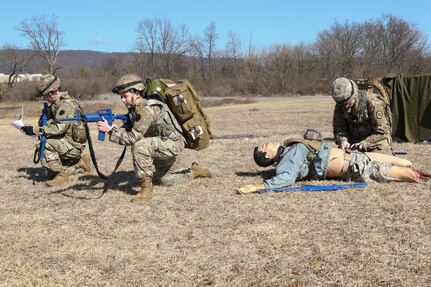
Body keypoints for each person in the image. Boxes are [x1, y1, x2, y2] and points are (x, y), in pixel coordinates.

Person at [97, 74, 212, 202]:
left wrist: (111, 130)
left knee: (140, 145)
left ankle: (147, 190)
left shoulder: (148, 109)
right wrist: (115, 127)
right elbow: (129, 130)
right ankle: (194, 172)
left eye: (125, 96)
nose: (123, 100)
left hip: (172, 143)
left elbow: (132, 138)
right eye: (121, 97)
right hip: (161, 143)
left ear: (136, 92)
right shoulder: (135, 110)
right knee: (167, 180)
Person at [236, 138, 429, 194]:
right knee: (408, 173)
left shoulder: (289, 150)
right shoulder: (288, 159)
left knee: (406, 162)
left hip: (354, 155)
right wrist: (259, 186)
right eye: (264, 146)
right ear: (268, 155)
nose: (268, 142)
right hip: (351, 165)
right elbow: (285, 178)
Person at [21, 74, 91, 186]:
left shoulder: (66, 104)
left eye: (46, 95)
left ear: (53, 91)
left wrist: (35, 130)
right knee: (51, 172)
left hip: (73, 145)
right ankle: (80, 162)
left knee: (45, 144)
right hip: (67, 142)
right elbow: (51, 125)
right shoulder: (55, 104)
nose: (45, 98)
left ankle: (62, 177)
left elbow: (59, 128)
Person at [331, 77, 393, 154]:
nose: (345, 106)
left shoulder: (373, 102)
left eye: (348, 102)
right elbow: (339, 128)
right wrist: (343, 141)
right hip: (353, 144)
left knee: (380, 164)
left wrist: (364, 144)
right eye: (342, 104)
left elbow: (382, 131)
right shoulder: (341, 106)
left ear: (354, 95)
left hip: (376, 143)